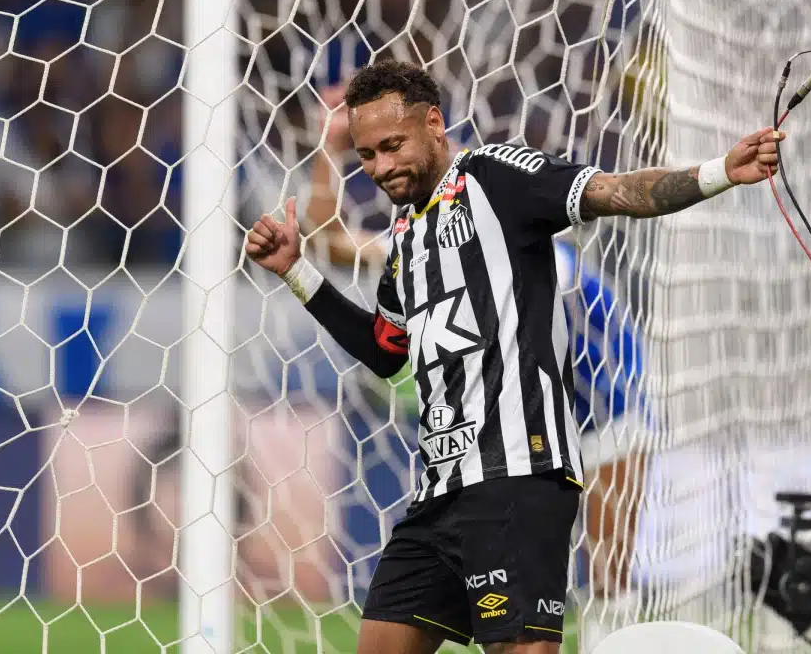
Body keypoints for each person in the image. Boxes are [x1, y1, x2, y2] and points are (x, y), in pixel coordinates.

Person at [245, 60, 784, 654]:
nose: (381, 167)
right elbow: (383, 350)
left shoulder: (496, 177)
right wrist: (296, 272)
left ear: (433, 123)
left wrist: (717, 173)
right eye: (367, 155)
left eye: (392, 146)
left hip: (518, 477)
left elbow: (616, 192)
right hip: (439, 492)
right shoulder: (405, 236)